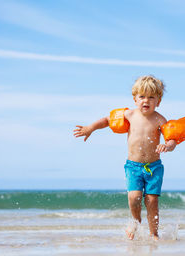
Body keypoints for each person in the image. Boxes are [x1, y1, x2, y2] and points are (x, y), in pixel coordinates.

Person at [73, 75, 178, 241]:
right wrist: (90, 128)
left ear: (158, 101)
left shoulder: (160, 119)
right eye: (142, 96)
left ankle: (154, 234)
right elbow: (107, 120)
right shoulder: (129, 115)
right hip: (133, 167)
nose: (146, 101)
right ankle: (136, 221)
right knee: (134, 197)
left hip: (154, 167)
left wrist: (168, 146)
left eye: (151, 97)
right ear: (135, 99)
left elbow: (171, 139)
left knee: (152, 201)